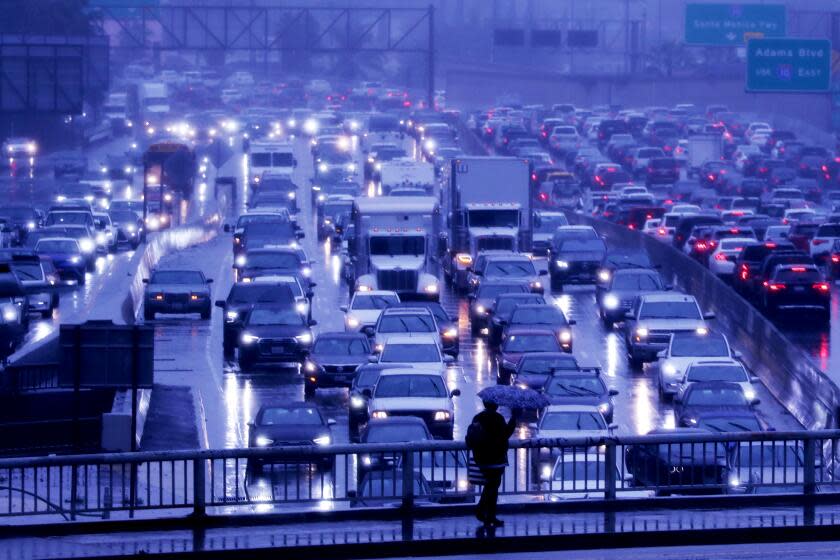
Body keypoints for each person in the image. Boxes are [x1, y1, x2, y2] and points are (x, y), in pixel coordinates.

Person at [467, 400, 517, 527]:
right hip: (495, 458)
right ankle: (483, 511)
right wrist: (514, 418)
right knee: (493, 485)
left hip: (481, 458)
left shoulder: (477, 417)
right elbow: (506, 434)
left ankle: (489, 515)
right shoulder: (497, 418)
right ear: (496, 405)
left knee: (491, 485)